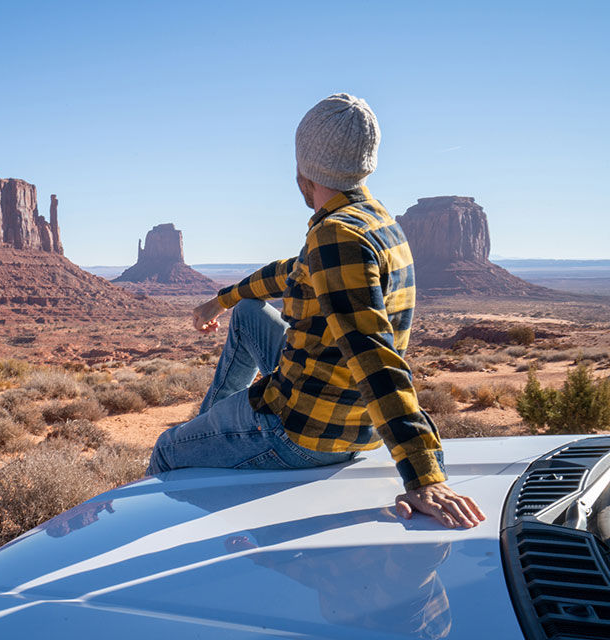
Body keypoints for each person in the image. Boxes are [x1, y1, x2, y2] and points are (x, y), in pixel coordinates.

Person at [147, 93, 485, 529]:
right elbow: (293, 271)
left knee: (167, 450)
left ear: (303, 165)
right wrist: (223, 299)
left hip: (304, 430)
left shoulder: (335, 235)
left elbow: (373, 354)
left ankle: (165, 531)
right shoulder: (374, 220)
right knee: (250, 313)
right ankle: (214, 428)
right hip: (340, 405)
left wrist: (424, 475)